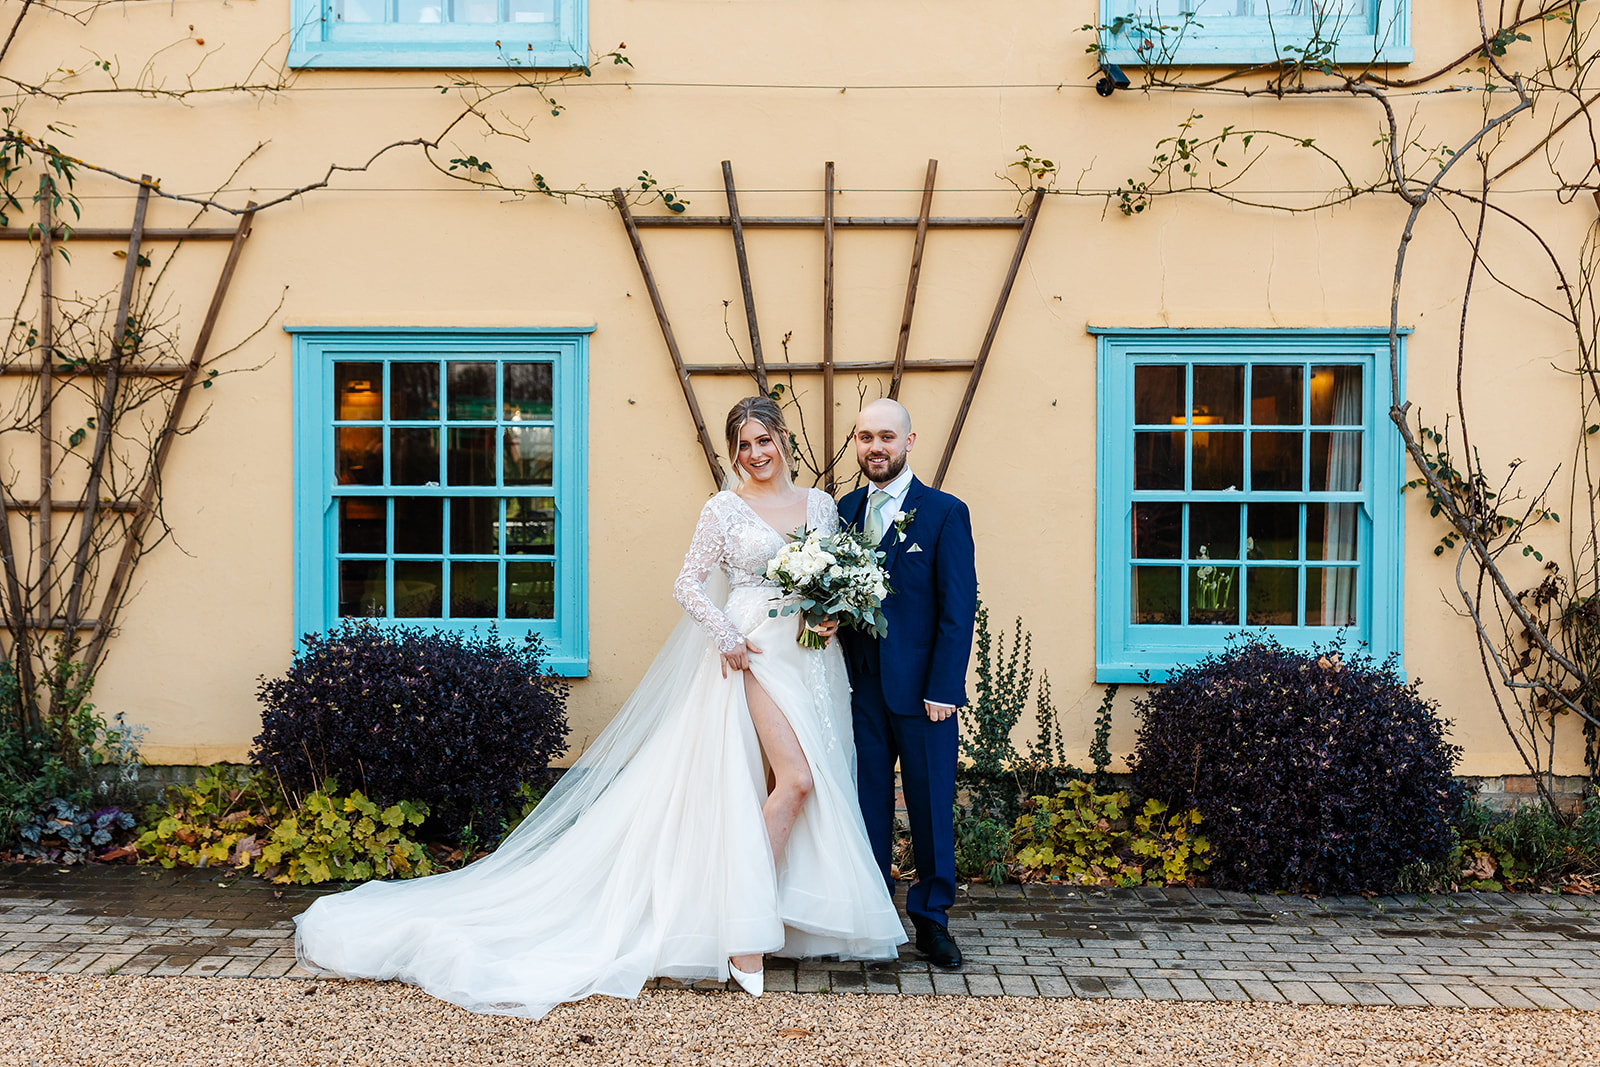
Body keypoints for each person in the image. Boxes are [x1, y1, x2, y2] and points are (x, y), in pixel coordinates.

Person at [293, 396, 904, 1018]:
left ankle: (774, 913)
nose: (755, 455)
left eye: (763, 441)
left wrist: (832, 613)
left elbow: (833, 575)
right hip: (749, 650)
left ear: (783, 440)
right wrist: (723, 632)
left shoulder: (822, 506)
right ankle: (743, 934)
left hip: (811, 658)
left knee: (791, 781)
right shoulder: (722, 509)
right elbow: (687, 583)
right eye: (743, 445)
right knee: (796, 781)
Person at [837, 398, 977, 970]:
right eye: (866, 437)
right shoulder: (844, 511)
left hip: (925, 694)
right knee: (866, 804)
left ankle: (932, 920)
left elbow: (958, 606)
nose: (876, 447)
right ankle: (876, 919)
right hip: (861, 687)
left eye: (887, 437)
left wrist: (945, 687)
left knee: (928, 805)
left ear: (910, 442)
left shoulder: (943, 512)